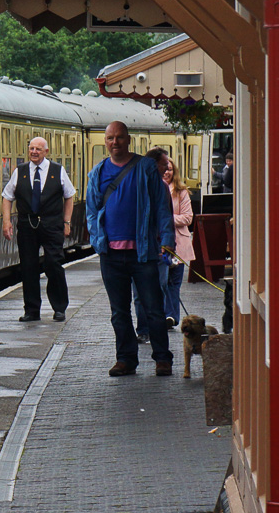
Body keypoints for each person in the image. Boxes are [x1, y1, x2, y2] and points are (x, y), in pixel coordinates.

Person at [86, 122, 176, 377]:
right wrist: (97, 241)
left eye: (120, 138)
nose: (115, 142)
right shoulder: (98, 173)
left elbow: (162, 206)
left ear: (128, 140)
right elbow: (92, 212)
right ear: (106, 141)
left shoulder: (146, 168)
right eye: (110, 138)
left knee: (154, 308)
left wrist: (167, 239)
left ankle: (162, 359)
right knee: (119, 311)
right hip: (111, 255)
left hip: (144, 253)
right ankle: (126, 359)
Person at [2, 136, 75, 322]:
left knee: (53, 264)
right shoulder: (21, 171)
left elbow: (69, 196)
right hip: (27, 225)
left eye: (38, 149)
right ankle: (31, 310)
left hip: (52, 225)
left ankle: (59, 308)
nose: (34, 152)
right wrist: (6, 221)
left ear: (46, 152)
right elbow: (7, 196)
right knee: (28, 267)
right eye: (31, 148)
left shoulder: (57, 171)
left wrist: (66, 222)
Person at [134, 147, 171, 344]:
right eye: (164, 164)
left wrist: (166, 244)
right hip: (140, 249)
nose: (167, 168)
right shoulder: (135, 185)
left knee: (159, 288)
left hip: (157, 249)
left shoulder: (163, 187)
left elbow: (167, 217)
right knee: (140, 294)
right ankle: (143, 329)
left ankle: (157, 329)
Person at [163, 158, 193, 327]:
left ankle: (171, 317)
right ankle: (163, 315)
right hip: (159, 245)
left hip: (178, 244)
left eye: (170, 169)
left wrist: (165, 219)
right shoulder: (151, 190)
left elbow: (188, 218)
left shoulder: (182, 192)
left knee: (174, 283)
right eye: (164, 169)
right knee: (161, 282)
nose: (167, 172)